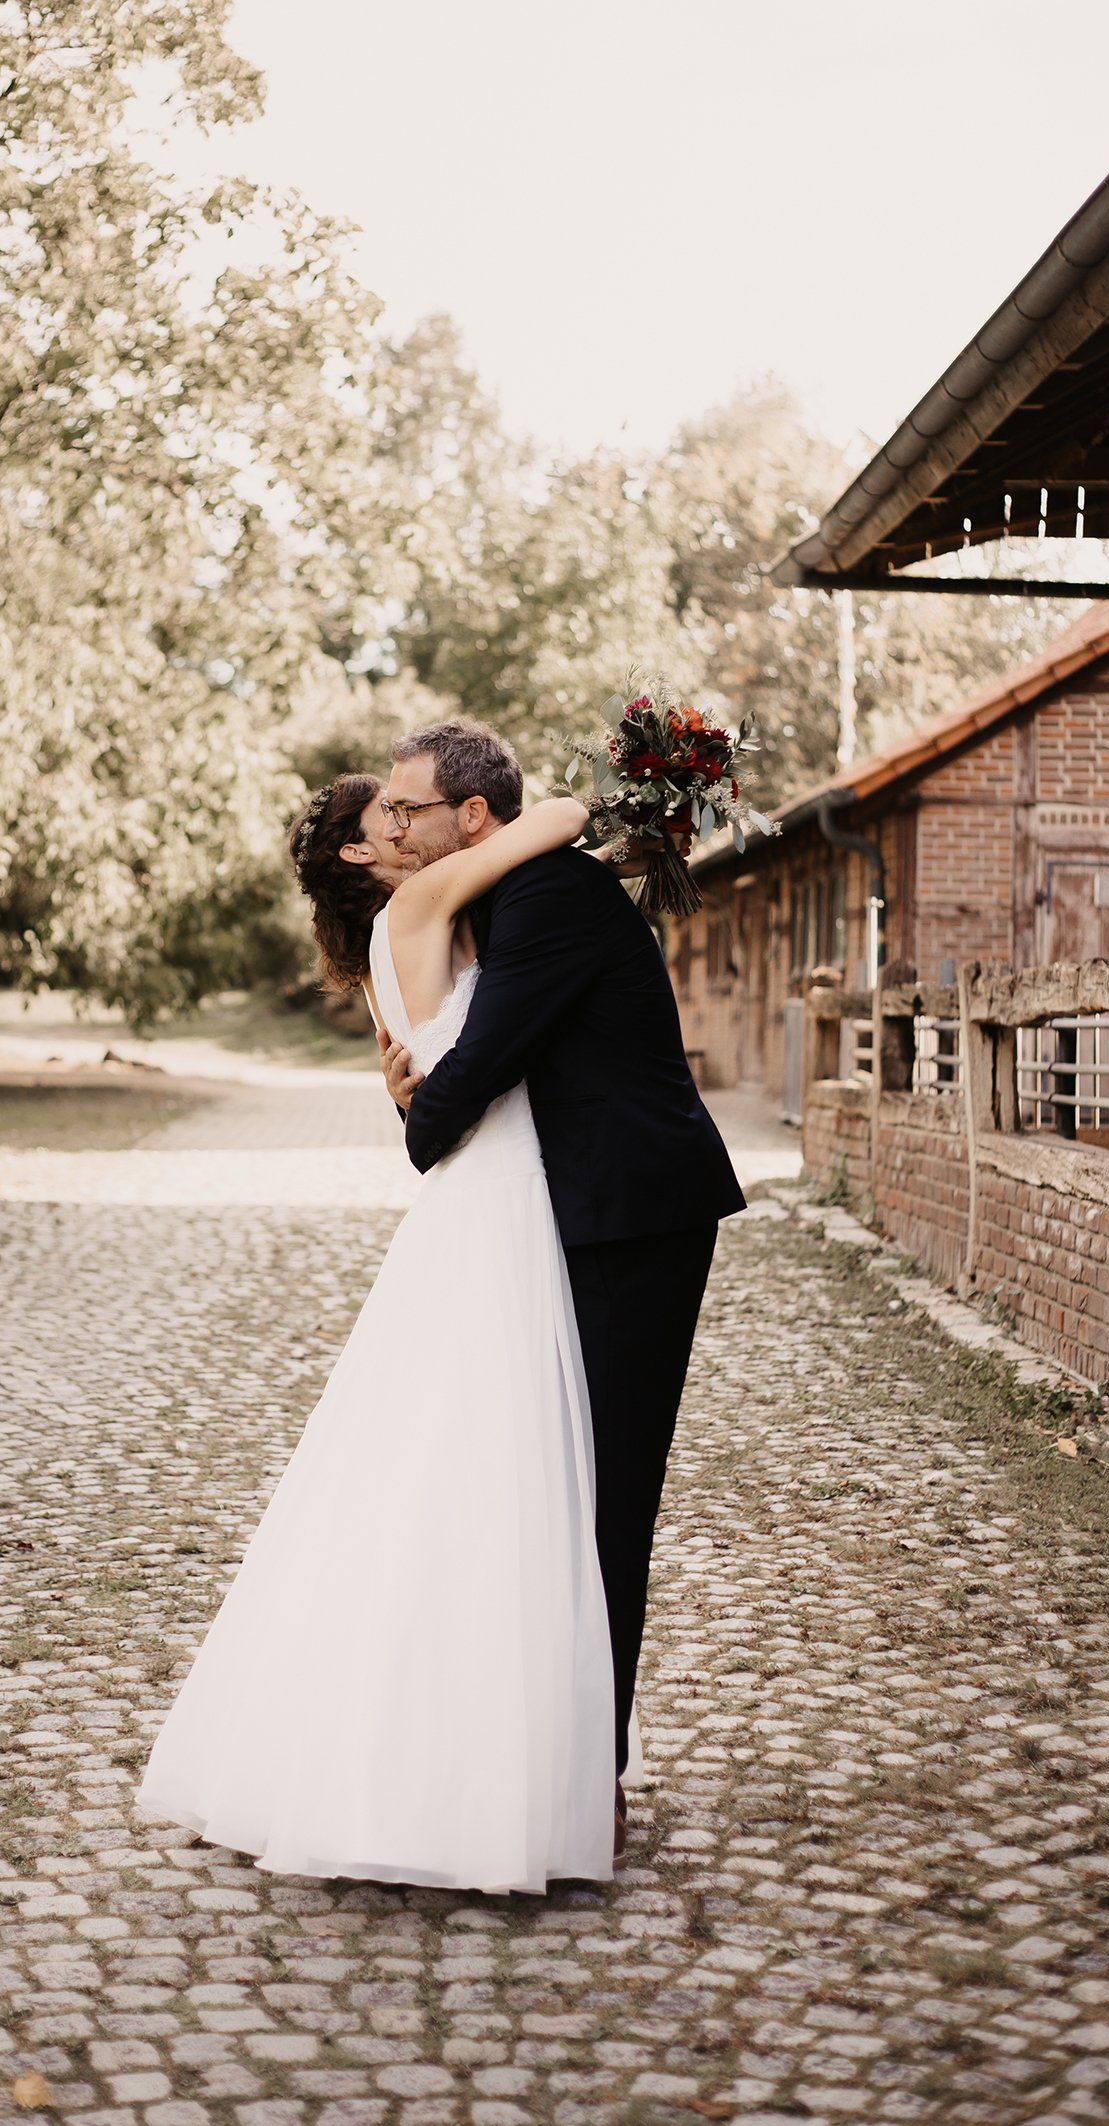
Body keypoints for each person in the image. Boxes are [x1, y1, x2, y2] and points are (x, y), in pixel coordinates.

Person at [136, 763, 620, 1892]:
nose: (403, 827)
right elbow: (558, 817)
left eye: (409, 812)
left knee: (450, 1468)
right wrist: (559, 806)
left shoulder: (386, 946)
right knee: (490, 1473)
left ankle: (455, 1756)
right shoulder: (418, 906)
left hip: (480, 1194)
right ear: (360, 855)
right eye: (384, 819)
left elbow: (430, 1061)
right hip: (498, 1202)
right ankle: (453, 1780)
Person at [378, 719, 744, 1849]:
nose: (394, 828)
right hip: (572, 1218)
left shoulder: (545, 898)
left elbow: (480, 1065)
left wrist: (413, 1120)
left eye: (408, 809)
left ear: (470, 817)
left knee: (606, 1495)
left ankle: (592, 1774)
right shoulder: (500, 899)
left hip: (634, 1220)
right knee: (551, 1486)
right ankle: (538, 1746)